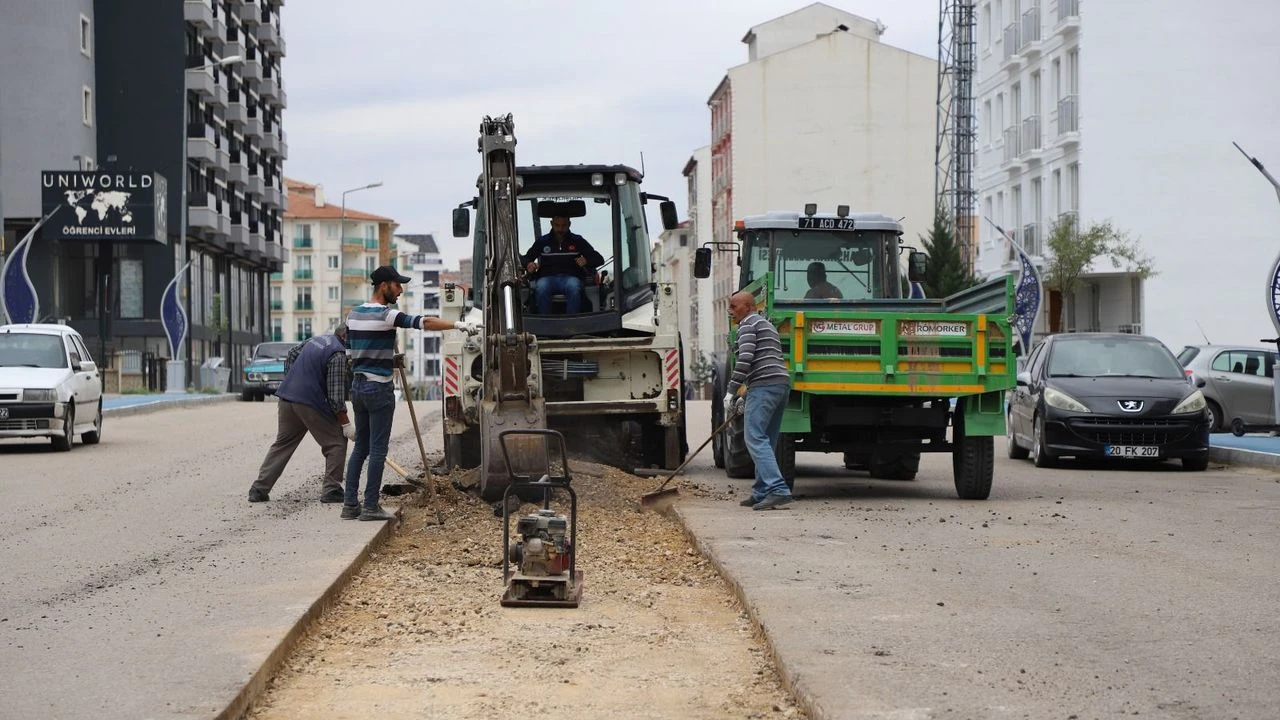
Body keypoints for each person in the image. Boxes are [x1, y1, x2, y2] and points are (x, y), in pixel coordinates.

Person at [343, 266, 482, 521]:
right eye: (397, 285)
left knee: (360, 447)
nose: (400, 290)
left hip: (358, 388)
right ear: (384, 285)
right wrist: (458, 324)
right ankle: (371, 506)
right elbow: (423, 322)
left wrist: (387, 358)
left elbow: (351, 356)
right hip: (378, 388)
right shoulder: (387, 315)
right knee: (377, 450)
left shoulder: (353, 316)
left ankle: (350, 504)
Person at [248, 324, 354, 504]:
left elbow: (291, 354)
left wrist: (293, 381)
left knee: (284, 443)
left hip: (287, 398)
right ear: (345, 337)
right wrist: (346, 425)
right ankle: (332, 489)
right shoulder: (338, 354)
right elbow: (336, 398)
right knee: (336, 441)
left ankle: (259, 489)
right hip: (309, 402)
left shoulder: (315, 340)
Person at [723, 291, 794, 510]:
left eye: (734, 306)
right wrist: (746, 395)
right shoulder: (766, 325)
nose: (730, 311)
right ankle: (761, 491)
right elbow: (764, 359)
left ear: (747, 306)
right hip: (780, 385)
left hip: (764, 386)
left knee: (753, 438)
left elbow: (745, 359)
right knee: (766, 440)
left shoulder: (747, 325)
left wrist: (731, 392)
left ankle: (778, 489)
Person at [520, 215, 604, 314]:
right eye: (557, 225)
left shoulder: (577, 240)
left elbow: (599, 259)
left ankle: (572, 322)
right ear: (551, 224)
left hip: (571, 277)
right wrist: (529, 264)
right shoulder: (542, 241)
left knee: (573, 286)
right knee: (541, 286)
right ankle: (544, 321)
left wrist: (586, 260)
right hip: (547, 278)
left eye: (563, 226)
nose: (560, 229)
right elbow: (525, 258)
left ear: (569, 224)